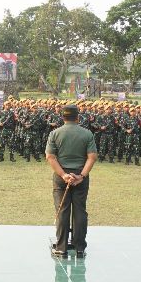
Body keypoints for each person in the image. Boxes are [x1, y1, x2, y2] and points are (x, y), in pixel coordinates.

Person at [45, 104, 98, 258]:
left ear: (63, 117)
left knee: (62, 211)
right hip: (80, 178)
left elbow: (50, 157)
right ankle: (79, 247)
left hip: (62, 178)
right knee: (80, 211)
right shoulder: (87, 134)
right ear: (78, 117)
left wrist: (63, 175)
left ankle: (62, 248)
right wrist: (81, 176)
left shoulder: (55, 133)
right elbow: (92, 157)